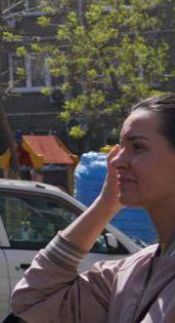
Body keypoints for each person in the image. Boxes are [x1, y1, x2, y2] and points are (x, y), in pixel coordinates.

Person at [10, 93, 175, 322]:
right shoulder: (133, 271)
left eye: (137, 147)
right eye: (120, 149)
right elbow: (33, 303)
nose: (116, 161)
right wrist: (104, 206)